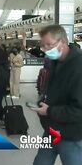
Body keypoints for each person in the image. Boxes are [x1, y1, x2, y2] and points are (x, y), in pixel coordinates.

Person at [33, 25, 82, 165]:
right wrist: (43, 102)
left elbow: (79, 110)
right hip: (52, 130)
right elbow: (54, 92)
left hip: (71, 135)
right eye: (43, 46)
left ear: (63, 42)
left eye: (50, 45)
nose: (46, 49)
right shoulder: (56, 62)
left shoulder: (78, 67)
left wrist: (49, 110)